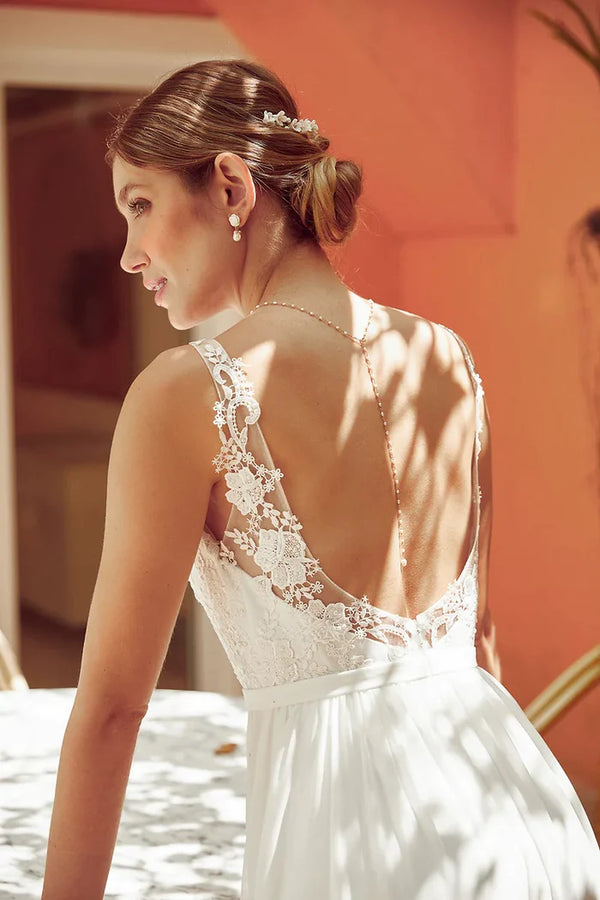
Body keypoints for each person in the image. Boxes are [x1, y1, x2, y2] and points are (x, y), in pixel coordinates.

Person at [41, 58, 600, 900]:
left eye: (141, 205)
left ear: (231, 187)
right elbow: (479, 647)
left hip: (353, 848)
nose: (128, 254)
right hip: (518, 824)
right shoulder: (448, 357)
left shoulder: (185, 395)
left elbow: (113, 710)